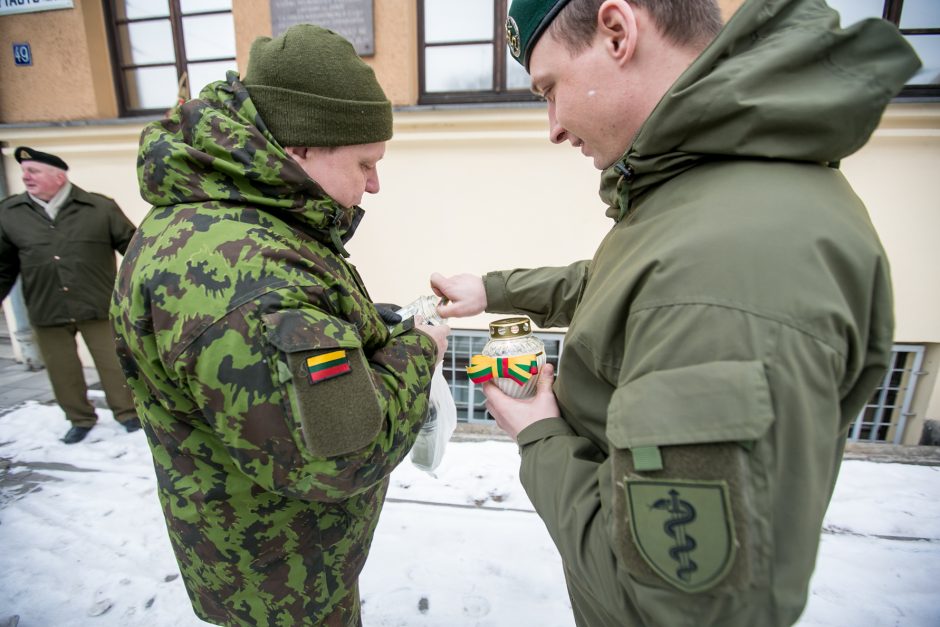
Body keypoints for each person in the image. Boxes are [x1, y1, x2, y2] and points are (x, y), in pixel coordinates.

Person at [431, 0, 921, 625]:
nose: (553, 126)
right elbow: (620, 283)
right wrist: (495, 289)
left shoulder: (728, 267)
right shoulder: (712, 186)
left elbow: (669, 609)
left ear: (617, 31)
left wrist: (539, 433)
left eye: (549, 88)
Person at [110, 24, 449, 627]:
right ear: (301, 150)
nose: (375, 183)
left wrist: (373, 329)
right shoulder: (254, 284)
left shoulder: (228, 217)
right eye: (365, 163)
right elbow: (342, 455)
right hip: (280, 584)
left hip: (266, 558)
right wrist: (421, 350)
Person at [0, 147, 140, 444]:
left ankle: (128, 413)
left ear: (59, 176)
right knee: (62, 371)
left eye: (33, 171)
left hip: (98, 304)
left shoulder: (100, 208)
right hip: (46, 307)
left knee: (115, 364)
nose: (25, 177)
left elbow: (135, 252)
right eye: (24, 172)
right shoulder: (9, 214)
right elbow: (3, 266)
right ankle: (79, 418)